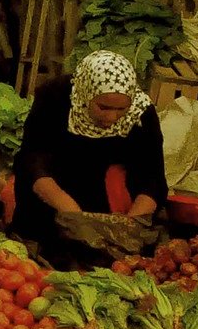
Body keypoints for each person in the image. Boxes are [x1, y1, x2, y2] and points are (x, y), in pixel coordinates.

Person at [11, 50, 165, 257]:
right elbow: (33, 161)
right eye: (103, 107)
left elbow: (153, 176)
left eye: (121, 109)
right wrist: (73, 216)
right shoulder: (55, 97)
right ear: (86, 93)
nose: (112, 117)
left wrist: (127, 227)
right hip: (53, 196)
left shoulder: (141, 113)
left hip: (108, 206)